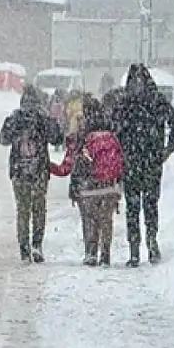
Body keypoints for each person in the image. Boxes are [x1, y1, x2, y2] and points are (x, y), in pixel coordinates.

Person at [112, 63, 174, 266]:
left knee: (137, 207)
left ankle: (139, 248)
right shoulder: (155, 100)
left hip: (136, 162)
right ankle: (146, 245)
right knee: (145, 206)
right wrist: (166, 150)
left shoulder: (126, 103)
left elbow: (114, 131)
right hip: (147, 161)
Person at [50, 98, 125, 266]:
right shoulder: (112, 133)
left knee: (89, 219)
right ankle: (105, 254)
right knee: (106, 220)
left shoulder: (80, 136)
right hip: (109, 185)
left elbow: (66, 167)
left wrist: (48, 167)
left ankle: (91, 253)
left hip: (88, 187)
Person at [0, 84, 64, 263]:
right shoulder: (42, 118)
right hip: (39, 169)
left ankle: (24, 248)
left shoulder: (15, 117)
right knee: (39, 208)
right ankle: (37, 244)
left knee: (22, 209)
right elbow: (57, 138)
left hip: (19, 170)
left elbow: (2, 139)